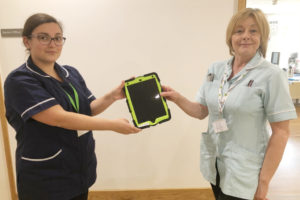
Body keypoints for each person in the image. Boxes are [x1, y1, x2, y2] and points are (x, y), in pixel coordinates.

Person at [161, 8, 297, 200]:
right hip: (216, 164)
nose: (245, 36)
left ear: (262, 36)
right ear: (230, 37)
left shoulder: (272, 75)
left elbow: (281, 132)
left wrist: (264, 182)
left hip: (245, 172)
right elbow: (201, 111)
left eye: (253, 31)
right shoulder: (216, 69)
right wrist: (176, 98)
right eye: (239, 31)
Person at [4, 13, 141, 200]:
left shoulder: (70, 73)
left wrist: (112, 96)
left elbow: (88, 109)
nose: (52, 44)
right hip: (45, 176)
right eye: (44, 37)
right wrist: (112, 125)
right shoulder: (20, 80)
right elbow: (59, 118)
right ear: (27, 41)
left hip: (78, 168)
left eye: (58, 38)